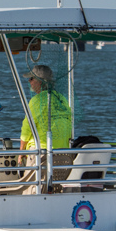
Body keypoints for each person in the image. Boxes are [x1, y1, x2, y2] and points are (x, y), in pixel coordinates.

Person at [18, 64, 72, 194]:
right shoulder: (62, 99)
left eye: (31, 78)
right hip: (63, 155)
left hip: (40, 155)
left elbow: (26, 130)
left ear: (40, 81)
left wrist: (21, 154)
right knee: (52, 189)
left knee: (31, 190)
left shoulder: (36, 101)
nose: (29, 81)